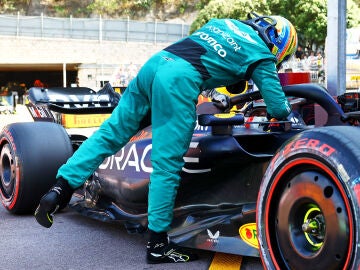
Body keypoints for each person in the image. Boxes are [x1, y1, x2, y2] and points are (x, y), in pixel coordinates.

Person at [34, 13, 297, 264]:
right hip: (178, 82)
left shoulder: (224, 24)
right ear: (278, 45)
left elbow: (203, 57)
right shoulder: (261, 55)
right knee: (166, 165)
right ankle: (158, 245)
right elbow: (277, 108)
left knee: (110, 134)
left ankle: (60, 189)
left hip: (155, 65)